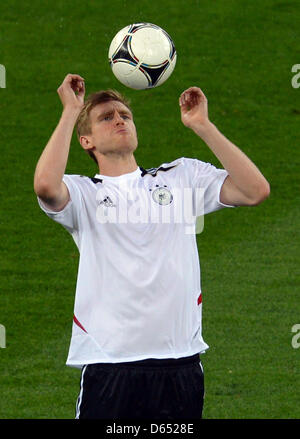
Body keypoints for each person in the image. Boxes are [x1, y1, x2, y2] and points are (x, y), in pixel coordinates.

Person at [34, 73, 270, 420]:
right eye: (106, 117)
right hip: (111, 364)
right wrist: (70, 111)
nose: (119, 120)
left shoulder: (181, 177)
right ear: (86, 141)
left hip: (180, 364)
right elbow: (45, 185)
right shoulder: (84, 193)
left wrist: (203, 126)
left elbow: (255, 190)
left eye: (124, 116)